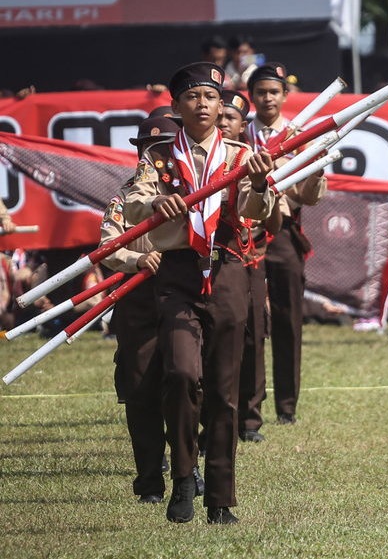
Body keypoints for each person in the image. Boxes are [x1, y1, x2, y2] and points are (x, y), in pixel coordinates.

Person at [123, 61, 276, 525]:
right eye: (192, 97)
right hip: (177, 274)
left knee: (224, 391)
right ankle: (184, 476)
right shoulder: (159, 156)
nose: (203, 105)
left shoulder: (239, 154)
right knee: (181, 374)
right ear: (176, 106)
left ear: (220, 104)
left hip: (227, 271)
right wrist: (155, 202)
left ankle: (221, 498)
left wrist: (257, 182)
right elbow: (132, 203)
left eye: (211, 97)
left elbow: (256, 211)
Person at [101, 116, 177, 504]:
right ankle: (149, 479)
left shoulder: (191, 191)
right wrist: (137, 260)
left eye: (165, 146)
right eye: (148, 148)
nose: (156, 155)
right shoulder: (123, 197)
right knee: (141, 388)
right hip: (138, 298)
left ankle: (189, 468)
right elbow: (109, 246)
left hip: (182, 294)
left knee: (187, 382)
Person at [247, 62, 326, 426]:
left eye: (274, 92)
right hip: (246, 233)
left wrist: (316, 171)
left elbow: (311, 196)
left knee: (288, 318)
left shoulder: (301, 137)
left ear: (285, 95)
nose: (268, 98)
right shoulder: (239, 134)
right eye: (261, 92)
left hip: (284, 232)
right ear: (251, 96)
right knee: (249, 319)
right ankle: (249, 406)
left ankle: (287, 407)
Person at [217, 89, 281, 442]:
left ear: (243, 125)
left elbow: (272, 222)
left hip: (249, 256)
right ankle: (212, 418)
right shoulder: (199, 157)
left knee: (254, 335)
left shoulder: (251, 160)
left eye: (231, 117)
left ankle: (251, 418)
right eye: (220, 116)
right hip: (211, 256)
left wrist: (266, 189)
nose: (223, 122)